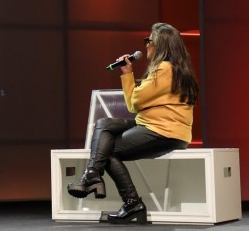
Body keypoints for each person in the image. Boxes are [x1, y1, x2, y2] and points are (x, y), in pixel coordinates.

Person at [67, 23, 198, 224]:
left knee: (107, 151)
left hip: (162, 130)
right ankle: (93, 174)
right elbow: (136, 103)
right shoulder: (178, 70)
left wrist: (127, 75)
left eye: (149, 41)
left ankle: (131, 202)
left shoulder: (164, 69)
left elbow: (134, 103)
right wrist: (128, 72)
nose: (146, 45)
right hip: (159, 126)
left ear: (160, 45)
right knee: (104, 123)